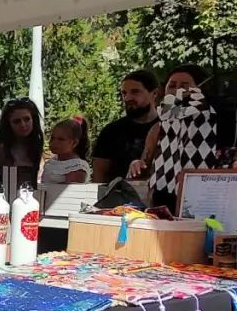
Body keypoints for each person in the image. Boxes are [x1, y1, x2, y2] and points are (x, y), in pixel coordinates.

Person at [128, 64, 214, 210]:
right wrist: (136, 165)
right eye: (172, 86)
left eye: (185, 86)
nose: (177, 91)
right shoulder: (158, 129)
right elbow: (144, 168)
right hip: (164, 204)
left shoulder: (215, 124)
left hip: (206, 202)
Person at [91, 70, 159, 183]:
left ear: (154, 93)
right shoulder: (111, 131)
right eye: (124, 93)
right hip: (116, 192)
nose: (127, 98)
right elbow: (99, 176)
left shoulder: (167, 128)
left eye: (135, 92)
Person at [0, 98, 43, 184]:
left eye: (27, 119)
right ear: (8, 124)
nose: (23, 124)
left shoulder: (36, 145)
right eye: (16, 121)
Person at [42, 117, 91, 184]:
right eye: (52, 138)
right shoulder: (52, 161)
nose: (54, 142)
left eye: (61, 139)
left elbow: (69, 190)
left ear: (74, 143)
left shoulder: (76, 166)